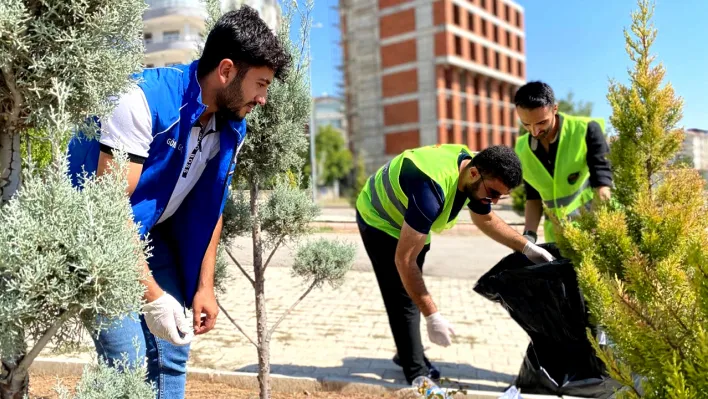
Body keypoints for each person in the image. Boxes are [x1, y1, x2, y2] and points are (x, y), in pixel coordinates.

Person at [66, 7, 290, 398]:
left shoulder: (231, 125)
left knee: (174, 348)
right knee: (129, 362)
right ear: (225, 71)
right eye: (260, 83)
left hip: (150, 236)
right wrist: (153, 298)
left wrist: (205, 287)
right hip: (93, 237)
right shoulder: (139, 100)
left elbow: (211, 206)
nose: (263, 98)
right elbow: (107, 210)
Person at [354, 144, 555, 383]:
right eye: (492, 193)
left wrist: (526, 247)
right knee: (401, 294)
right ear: (473, 174)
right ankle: (416, 372)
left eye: (501, 196)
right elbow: (405, 260)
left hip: (411, 216)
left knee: (411, 288)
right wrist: (433, 316)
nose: (495, 201)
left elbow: (486, 218)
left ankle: (407, 350)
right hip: (379, 219)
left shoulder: (473, 171)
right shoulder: (430, 190)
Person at [513, 81, 613, 244]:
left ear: (555, 109)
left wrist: (595, 231)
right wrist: (528, 236)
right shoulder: (523, 148)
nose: (534, 131)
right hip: (556, 237)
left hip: (592, 228)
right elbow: (533, 197)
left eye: (541, 122)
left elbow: (602, 187)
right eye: (526, 124)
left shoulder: (586, 130)